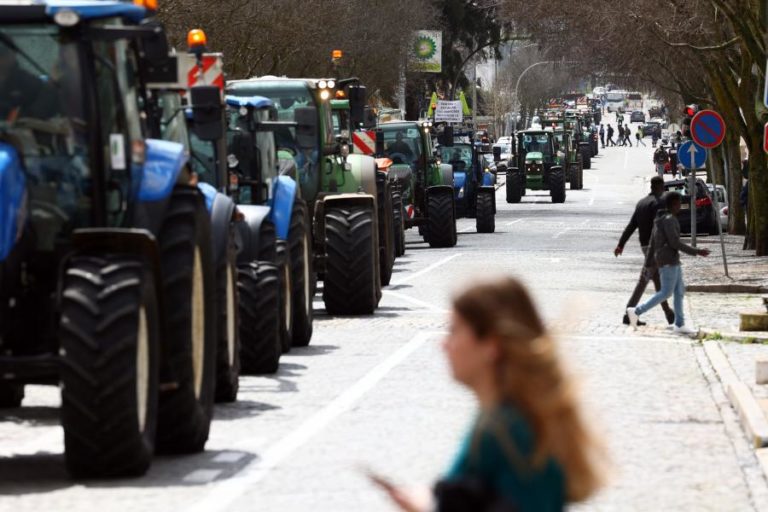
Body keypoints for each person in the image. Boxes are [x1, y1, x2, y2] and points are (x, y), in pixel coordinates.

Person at [374, 278, 606, 512]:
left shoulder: (504, 430)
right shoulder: (516, 415)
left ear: (490, 345)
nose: (443, 344)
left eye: (454, 331)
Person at [627, 192, 710, 334]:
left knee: (679, 292)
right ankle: (636, 311)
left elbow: (652, 243)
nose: (679, 206)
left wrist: (648, 262)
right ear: (672, 205)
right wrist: (697, 251)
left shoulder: (659, 219)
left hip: (670, 260)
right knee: (665, 292)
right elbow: (675, 242)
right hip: (668, 261)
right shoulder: (669, 219)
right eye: (678, 203)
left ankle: (679, 323)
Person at [615, 177, 675, 327]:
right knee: (643, 280)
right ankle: (629, 314)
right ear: (661, 187)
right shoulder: (660, 203)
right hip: (655, 247)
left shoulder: (642, 203)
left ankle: (668, 313)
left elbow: (631, 225)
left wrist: (621, 244)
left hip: (644, 245)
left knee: (657, 280)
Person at [0, 43, 57, 120]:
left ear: (13, 54)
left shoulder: (29, 82)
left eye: (3, 54)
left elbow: (35, 116)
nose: (2, 59)